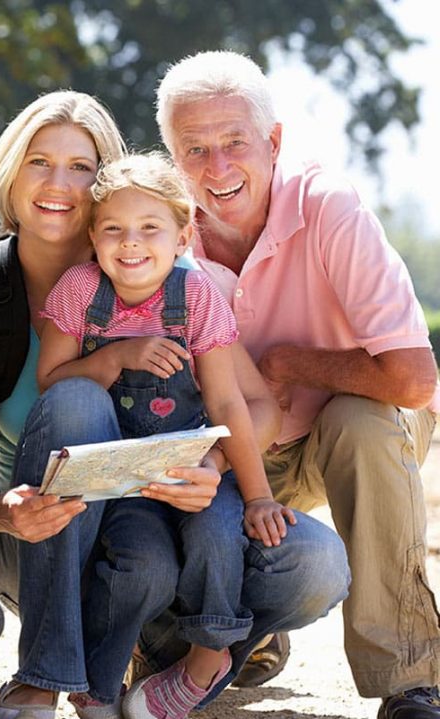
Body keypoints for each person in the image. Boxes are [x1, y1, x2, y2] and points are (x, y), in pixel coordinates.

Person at [0, 90, 348, 719]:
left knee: (314, 562)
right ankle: (46, 675)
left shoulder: (178, 282)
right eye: (40, 162)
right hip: (42, 540)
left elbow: (247, 406)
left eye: (82, 167)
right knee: (74, 401)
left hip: (166, 509)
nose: (59, 184)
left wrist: (216, 470)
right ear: (11, 173)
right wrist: (5, 513)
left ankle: (178, 657)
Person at [155, 50, 440, 718]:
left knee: (361, 422)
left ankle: (409, 678)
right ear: (172, 156)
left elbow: (412, 377)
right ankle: (256, 627)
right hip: (238, 444)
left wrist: (288, 364)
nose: (217, 168)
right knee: (180, 472)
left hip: (345, 428)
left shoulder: (329, 207)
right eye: (194, 149)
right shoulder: (159, 234)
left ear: (274, 141)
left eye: (235, 143)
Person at [35, 152, 295, 717]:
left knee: (214, 531)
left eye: (149, 229)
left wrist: (256, 495)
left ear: (182, 237)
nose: (130, 244)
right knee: (141, 567)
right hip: (124, 477)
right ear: (94, 238)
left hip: (192, 461)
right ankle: (99, 684)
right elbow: (50, 381)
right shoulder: (78, 292)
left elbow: (228, 401)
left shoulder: (196, 295)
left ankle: (209, 655)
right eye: (113, 230)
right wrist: (120, 355)